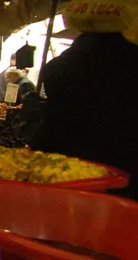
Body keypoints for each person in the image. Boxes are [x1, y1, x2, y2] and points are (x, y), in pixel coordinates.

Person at [34, 32, 138, 200]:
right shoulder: (116, 45)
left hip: (70, 149)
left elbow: (53, 73)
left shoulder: (94, 42)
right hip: (103, 158)